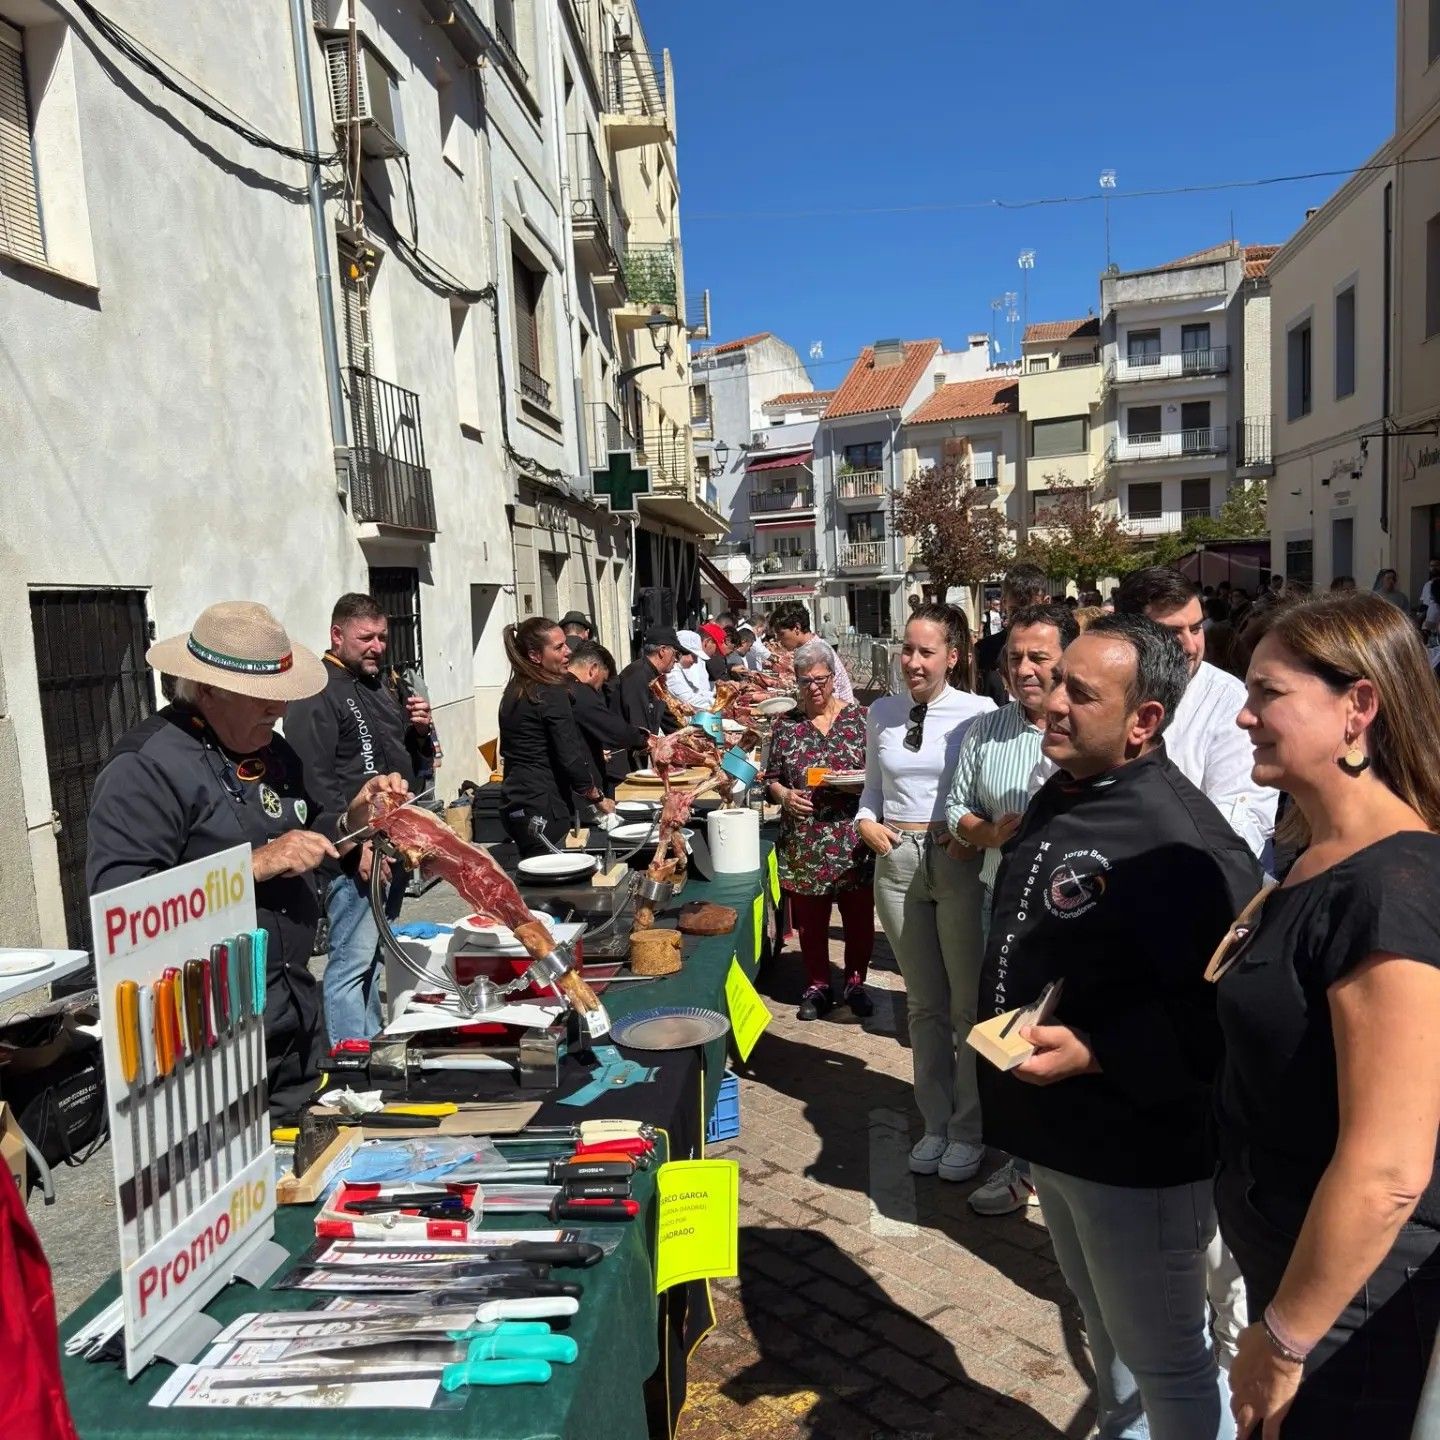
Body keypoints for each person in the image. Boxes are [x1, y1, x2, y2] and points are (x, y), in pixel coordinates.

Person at [978, 613, 1262, 1440]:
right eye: (1053, 679)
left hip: (1138, 1157)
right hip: (1058, 1137)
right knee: (1109, 1334)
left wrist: (1100, 1050)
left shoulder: (1184, 844)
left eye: (1079, 691)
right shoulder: (1064, 787)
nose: (1050, 701)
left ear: (1145, 722)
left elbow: (1226, 1020)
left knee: (1172, 1363)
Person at [1214, 595, 1440, 1439]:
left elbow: (1389, 1170)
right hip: (1294, 1270)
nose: (1244, 714)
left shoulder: (1394, 887)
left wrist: (1283, 1339)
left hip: (1351, 1314)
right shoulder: (1314, 855)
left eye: (1268, 693)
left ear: (1359, 707)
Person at [87, 602, 408, 1115]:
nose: (278, 710)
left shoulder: (273, 751)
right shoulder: (145, 769)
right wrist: (253, 866)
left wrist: (356, 818)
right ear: (208, 690)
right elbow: (121, 908)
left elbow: (315, 831)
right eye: (262, 698)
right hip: (208, 1040)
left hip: (292, 1018)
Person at [946, 602, 1078, 1216]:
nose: (1025, 669)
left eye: (1039, 657)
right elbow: (956, 811)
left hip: (1078, 913)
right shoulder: (985, 731)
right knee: (1011, 1036)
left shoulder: (1091, 727)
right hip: (1003, 907)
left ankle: (1068, 1168)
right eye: (1015, 658)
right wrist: (992, 834)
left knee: (1072, 1035)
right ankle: (1023, 1166)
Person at [857, 604, 995, 1180]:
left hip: (957, 860)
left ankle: (969, 1129)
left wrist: (976, 836)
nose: (912, 662)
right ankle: (935, 1123)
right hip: (897, 861)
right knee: (923, 1005)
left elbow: (987, 791)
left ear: (953, 656)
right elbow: (871, 788)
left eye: (926, 651)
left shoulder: (980, 713)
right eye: (906, 650)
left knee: (967, 1007)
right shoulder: (882, 712)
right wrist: (866, 825)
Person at [285, 593, 435, 1047]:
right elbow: (313, 782)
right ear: (337, 635)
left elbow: (409, 765)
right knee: (350, 965)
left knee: (371, 958)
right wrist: (354, 848)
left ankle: (371, 1047)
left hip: (392, 844)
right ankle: (351, 1067)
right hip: (353, 854)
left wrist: (421, 733)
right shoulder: (314, 692)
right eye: (365, 637)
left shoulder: (381, 686)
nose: (376, 646)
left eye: (382, 638)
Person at [1116, 568, 1276, 862]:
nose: (1191, 647)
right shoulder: (1105, 692)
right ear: (1129, 634)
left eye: (1196, 628)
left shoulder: (1231, 703)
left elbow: (1240, 823)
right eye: (1172, 633)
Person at [764, 641, 875, 1021]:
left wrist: (862, 786)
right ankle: (818, 985)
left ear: (833, 678)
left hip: (854, 839)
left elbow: (880, 775)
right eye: (805, 681)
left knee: (859, 918)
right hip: (806, 842)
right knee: (812, 923)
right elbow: (771, 779)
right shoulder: (786, 727)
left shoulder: (861, 720)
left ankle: (856, 982)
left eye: (821, 679)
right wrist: (783, 795)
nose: (814, 687)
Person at [496, 617, 612, 856]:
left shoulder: (515, 690)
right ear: (535, 656)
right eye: (558, 648)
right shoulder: (549, 693)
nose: (568, 651)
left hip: (516, 803)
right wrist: (597, 797)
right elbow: (569, 754)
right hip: (543, 808)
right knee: (552, 883)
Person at [566, 640, 646, 800]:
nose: (599, 689)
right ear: (593, 669)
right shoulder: (580, 692)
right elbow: (612, 729)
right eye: (602, 682)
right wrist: (645, 738)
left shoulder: (563, 687)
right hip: (578, 791)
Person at [975, 564, 1050, 705]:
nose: (1023, 619)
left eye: (1031, 611)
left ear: (1046, 602)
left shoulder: (1060, 648)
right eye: (1015, 611)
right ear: (1004, 603)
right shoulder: (983, 651)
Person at [617, 627, 686, 750]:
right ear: (662, 651)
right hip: (624, 756)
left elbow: (669, 720)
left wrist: (688, 736)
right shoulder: (637, 676)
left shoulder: (654, 677)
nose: (676, 660)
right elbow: (639, 729)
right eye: (676, 653)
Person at [772, 602, 855, 703]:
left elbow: (830, 695)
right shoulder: (808, 647)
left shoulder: (816, 652)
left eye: (781, 634)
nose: (779, 640)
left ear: (797, 628)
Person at [665, 628, 713, 711]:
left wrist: (717, 695)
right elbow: (688, 699)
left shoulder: (679, 669)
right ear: (681, 652)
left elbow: (696, 691)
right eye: (694, 656)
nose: (696, 661)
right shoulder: (672, 673)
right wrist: (716, 702)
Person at [1420, 557, 1440, 639]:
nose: (1434, 568)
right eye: (1432, 566)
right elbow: (1425, 604)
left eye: (1437, 565)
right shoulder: (1427, 585)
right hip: (1431, 626)